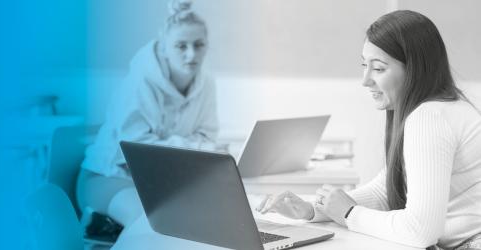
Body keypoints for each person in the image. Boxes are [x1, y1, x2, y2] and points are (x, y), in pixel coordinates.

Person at [257, 10, 481, 250]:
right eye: (364, 65)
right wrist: (315, 208)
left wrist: (350, 213)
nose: (365, 80)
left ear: (414, 70)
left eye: (379, 68)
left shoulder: (429, 117)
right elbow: (385, 190)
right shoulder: (446, 107)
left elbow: (421, 231)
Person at [76, 0, 219, 228]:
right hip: (108, 177)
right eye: (181, 46)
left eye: (199, 45)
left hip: (160, 181)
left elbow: (208, 138)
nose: (191, 55)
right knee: (150, 224)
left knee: (208, 220)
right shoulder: (139, 83)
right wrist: (194, 147)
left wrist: (190, 149)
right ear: (163, 47)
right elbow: (137, 153)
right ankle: (104, 223)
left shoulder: (207, 84)